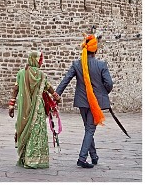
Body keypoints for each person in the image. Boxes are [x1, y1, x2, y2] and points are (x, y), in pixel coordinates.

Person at [56, 33, 113, 168]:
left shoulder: (77, 64)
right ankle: (82, 158)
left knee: (88, 128)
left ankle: (94, 156)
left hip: (82, 101)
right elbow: (109, 83)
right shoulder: (101, 64)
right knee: (90, 130)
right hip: (95, 102)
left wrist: (57, 94)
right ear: (95, 50)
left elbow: (66, 80)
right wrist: (103, 93)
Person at [8, 51, 61, 169]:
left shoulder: (22, 73)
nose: (41, 63)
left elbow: (15, 89)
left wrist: (11, 105)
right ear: (35, 60)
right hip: (38, 109)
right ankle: (34, 159)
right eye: (40, 60)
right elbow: (49, 88)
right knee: (36, 133)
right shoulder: (41, 75)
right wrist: (57, 97)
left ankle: (25, 158)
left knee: (26, 130)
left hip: (24, 109)